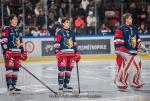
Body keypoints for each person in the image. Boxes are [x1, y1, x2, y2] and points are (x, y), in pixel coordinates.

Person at [114, 13, 147, 90]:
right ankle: (119, 80)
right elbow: (118, 43)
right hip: (125, 52)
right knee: (128, 61)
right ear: (126, 19)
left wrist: (140, 46)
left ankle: (134, 81)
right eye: (130, 18)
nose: (131, 19)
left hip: (134, 52)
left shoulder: (135, 28)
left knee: (138, 63)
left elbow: (138, 39)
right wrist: (126, 52)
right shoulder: (120, 29)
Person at [1, 14, 27, 92]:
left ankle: (14, 86)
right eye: (14, 19)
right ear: (10, 20)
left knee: (16, 70)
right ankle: (10, 86)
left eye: (16, 19)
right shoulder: (6, 29)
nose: (16, 21)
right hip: (9, 53)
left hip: (17, 53)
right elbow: (3, 41)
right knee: (9, 69)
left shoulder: (18, 31)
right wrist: (6, 51)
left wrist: (23, 52)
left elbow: (21, 43)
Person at [53, 17, 81, 91]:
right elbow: (56, 43)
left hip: (71, 54)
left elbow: (74, 44)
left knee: (69, 69)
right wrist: (57, 52)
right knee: (61, 69)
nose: (68, 23)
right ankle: (61, 85)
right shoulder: (59, 32)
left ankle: (66, 84)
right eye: (67, 22)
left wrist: (77, 52)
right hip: (63, 54)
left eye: (69, 22)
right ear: (63, 23)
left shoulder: (72, 32)